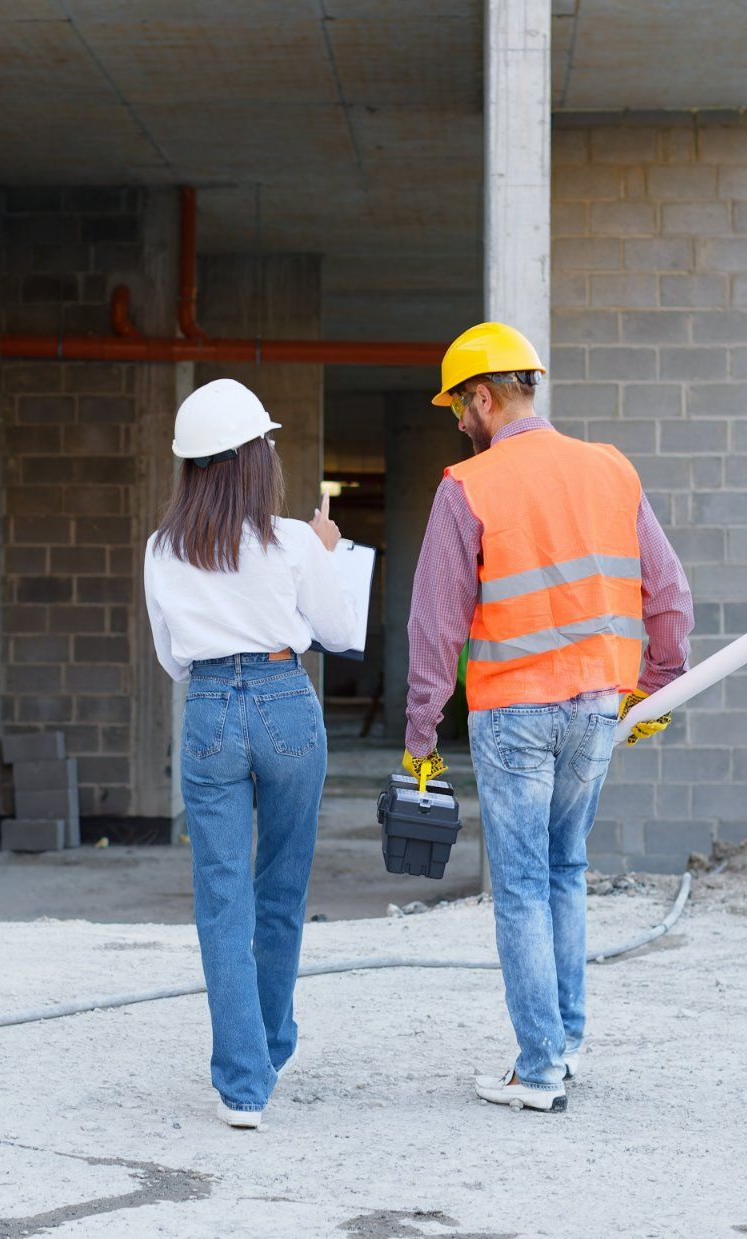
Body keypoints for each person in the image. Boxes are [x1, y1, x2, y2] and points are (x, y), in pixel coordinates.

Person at [401, 322, 693, 1113]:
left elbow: (435, 625)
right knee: (566, 869)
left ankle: (537, 1071)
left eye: (460, 408)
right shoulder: (612, 470)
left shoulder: (469, 487)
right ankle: (564, 1044)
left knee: (524, 883)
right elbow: (669, 594)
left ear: (486, 397)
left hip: (516, 714)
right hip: (599, 705)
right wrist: (658, 684)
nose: (459, 424)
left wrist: (420, 735)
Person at [144, 378, 361, 1131]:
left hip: (208, 708)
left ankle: (243, 1085)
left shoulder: (162, 549)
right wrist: (325, 552)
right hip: (283, 700)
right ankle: (268, 1046)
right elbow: (337, 633)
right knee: (281, 887)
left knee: (221, 899)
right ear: (253, 458)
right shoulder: (294, 540)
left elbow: (172, 658)